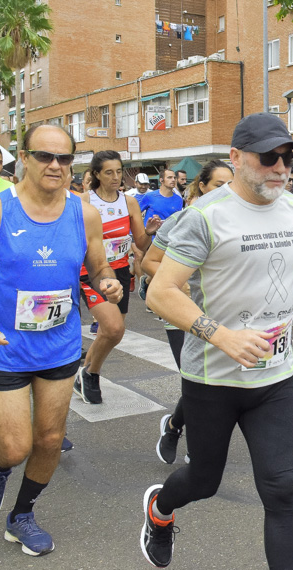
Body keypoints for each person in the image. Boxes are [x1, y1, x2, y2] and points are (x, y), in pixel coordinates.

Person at [139, 114, 293, 570]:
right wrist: (221, 336)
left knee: (281, 489)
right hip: (212, 379)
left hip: (275, 376)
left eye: (288, 158)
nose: (281, 168)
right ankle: (160, 507)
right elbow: (160, 291)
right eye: (269, 158)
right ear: (237, 159)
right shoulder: (205, 215)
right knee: (204, 481)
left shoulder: (290, 208)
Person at [0, 125, 122, 556]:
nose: (55, 166)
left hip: (60, 343)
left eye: (65, 159)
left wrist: (109, 284)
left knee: (50, 440)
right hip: (4, 347)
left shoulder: (84, 213)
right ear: (25, 157)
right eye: (45, 156)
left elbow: (99, 267)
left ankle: (22, 516)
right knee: (16, 446)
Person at [150, 161, 234, 465]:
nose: (226, 191)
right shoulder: (183, 219)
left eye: (230, 184)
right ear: (202, 187)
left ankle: (179, 426)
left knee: (215, 383)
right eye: (217, 185)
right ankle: (175, 431)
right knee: (198, 382)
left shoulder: (238, 222)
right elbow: (150, 262)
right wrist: (179, 287)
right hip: (182, 314)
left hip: (220, 314)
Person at [74, 151, 162, 403]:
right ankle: (92, 374)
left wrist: (148, 231)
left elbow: (141, 242)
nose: (115, 177)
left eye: (118, 171)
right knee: (113, 329)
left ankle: (87, 372)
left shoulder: (129, 202)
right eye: (108, 172)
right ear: (96, 175)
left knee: (111, 331)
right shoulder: (83, 201)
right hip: (92, 272)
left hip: (120, 271)